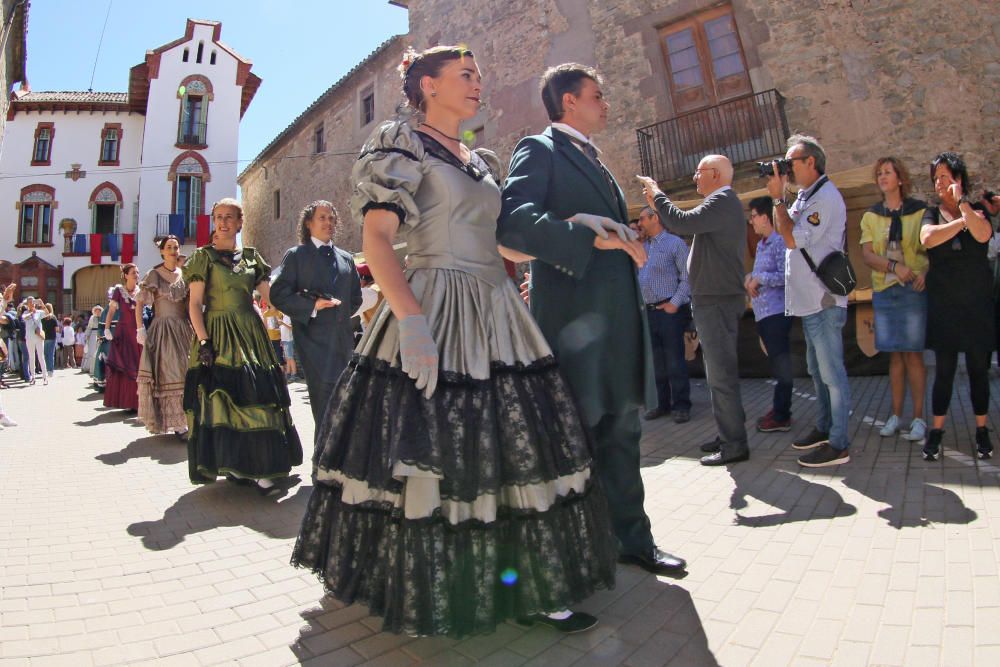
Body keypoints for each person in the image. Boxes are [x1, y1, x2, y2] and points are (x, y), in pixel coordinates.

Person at [292, 46, 618, 638]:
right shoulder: (400, 144)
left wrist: (578, 230)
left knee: (511, 448)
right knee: (437, 448)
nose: (477, 83)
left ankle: (526, 584)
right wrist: (411, 321)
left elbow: (501, 245)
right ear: (427, 85)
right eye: (465, 76)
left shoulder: (482, 158)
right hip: (436, 303)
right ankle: (431, 586)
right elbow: (379, 240)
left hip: (497, 305)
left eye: (478, 75)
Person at [498, 62, 686, 576]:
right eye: (597, 95)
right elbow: (515, 223)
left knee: (622, 431)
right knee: (575, 437)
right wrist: (587, 234)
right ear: (569, 102)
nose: (606, 104)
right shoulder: (540, 149)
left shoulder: (595, 159)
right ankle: (569, 551)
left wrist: (621, 235)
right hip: (575, 323)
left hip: (617, 320)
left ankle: (632, 540)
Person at [182, 198, 302, 494]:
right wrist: (204, 341)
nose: (222, 222)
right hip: (218, 334)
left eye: (229, 217)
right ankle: (238, 464)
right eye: (218, 217)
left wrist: (306, 305)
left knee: (257, 396)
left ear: (240, 222)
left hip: (250, 333)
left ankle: (260, 467)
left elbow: (271, 297)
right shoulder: (202, 258)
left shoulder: (251, 258)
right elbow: (195, 304)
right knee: (224, 402)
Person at [639, 155, 749, 465]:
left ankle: (734, 444)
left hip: (717, 300)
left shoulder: (723, 200)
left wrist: (657, 195)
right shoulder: (721, 203)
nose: (694, 179)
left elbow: (680, 222)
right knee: (718, 374)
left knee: (721, 375)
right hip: (713, 300)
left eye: (698, 173)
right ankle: (729, 433)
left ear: (714, 174)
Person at [767, 134, 852, 468]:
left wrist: (777, 200)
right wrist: (783, 199)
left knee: (832, 374)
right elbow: (785, 231)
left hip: (824, 300)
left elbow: (789, 237)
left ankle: (839, 443)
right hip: (810, 300)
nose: (787, 169)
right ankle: (824, 427)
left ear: (811, 162)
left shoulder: (826, 197)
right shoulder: (805, 195)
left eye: (792, 163)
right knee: (818, 371)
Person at [919, 152, 995, 460]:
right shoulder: (931, 213)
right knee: (945, 372)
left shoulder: (976, 210)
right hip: (944, 307)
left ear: (959, 180)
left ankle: (981, 430)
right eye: (935, 177)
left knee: (979, 370)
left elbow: (983, 234)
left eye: (945, 176)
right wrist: (961, 223)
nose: (939, 183)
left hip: (977, 305)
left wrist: (963, 207)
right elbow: (928, 239)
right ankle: (936, 431)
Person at [270, 200, 363, 426]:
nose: (328, 222)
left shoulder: (346, 258)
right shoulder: (296, 256)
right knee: (325, 409)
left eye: (332, 218)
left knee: (346, 408)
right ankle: (323, 460)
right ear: (309, 223)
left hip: (343, 342)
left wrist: (338, 315)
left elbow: (356, 298)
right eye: (322, 217)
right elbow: (279, 295)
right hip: (313, 344)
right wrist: (313, 306)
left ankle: (341, 460)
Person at [859, 158, 928, 442]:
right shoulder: (871, 216)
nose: (882, 177)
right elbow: (867, 254)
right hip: (885, 290)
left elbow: (931, 247)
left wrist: (925, 271)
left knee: (913, 353)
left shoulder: (920, 212)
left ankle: (919, 418)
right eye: (879, 174)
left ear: (900, 178)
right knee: (895, 355)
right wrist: (892, 267)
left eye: (888, 172)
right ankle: (896, 415)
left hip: (912, 290)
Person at [634, 206, 692, 424]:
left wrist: (674, 304)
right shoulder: (644, 246)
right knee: (656, 362)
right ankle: (661, 403)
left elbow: (687, 278)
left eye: (642, 218)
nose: (639, 223)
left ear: (654, 218)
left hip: (669, 312)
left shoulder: (675, 244)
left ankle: (681, 405)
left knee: (675, 360)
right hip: (649, 311)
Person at [136, 235, 194, 437]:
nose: (173, 250)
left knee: (187, 372)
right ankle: (177, 424)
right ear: (162, 251)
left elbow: (188, 305)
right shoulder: (154, 274)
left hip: (183, 328)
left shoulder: (184, 274)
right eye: (169, 247)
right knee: (169, 374)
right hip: (163, 330)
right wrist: (140, 328)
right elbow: (140, 302)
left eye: (176, 247)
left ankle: (187, 419)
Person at [745, 196, 794, 432]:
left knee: (782, 364)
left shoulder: (778, 242)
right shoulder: (762, 244)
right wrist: (749, 280)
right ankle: (779, 408)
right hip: (763, 315)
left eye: (753, 216)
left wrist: (760, 279)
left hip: (777, 313)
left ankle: (782, 414)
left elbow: (786, 276)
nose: (751, 221)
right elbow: (758, 275)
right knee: (776, 365)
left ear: (765, 217)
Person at [103, 264, 141, 411]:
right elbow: (111, 311)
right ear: (125, 275)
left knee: (139, 366)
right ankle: (127, 402)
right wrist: (106, 328)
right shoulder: (119, 291)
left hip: (138, 332)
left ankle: (139, 402)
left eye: (137, 272)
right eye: (133, 272)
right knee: (126, 366)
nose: (136, 275)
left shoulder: (141, 290)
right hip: (124, 333)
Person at [22, 299, 48, 385]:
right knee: (31, 357)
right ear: (27, 304)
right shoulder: (25, 312)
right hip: (29, 338)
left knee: (41, 357)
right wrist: (31, 313)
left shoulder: (39, 312)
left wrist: (42, 304)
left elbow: (47, 313)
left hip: (38, 337)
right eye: (29, 302)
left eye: (33, 302)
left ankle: (45, 377)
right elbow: (24, 318)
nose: (31, 304)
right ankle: (33, 377)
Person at [83, 305, 103, 374]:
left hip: (100, 334)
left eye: (99, 311)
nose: (97, 312)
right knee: (92, 351)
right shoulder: (92, 318)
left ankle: (98, 368)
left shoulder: (103, 317)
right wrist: (87, 335)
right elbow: (89, 327)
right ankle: (90, 368)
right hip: (93, 334)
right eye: (96, 311)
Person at [40, 302, 57, 377]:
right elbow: (57, 329)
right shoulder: (53, 317)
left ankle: (46, 369)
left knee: (45, 354)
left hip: (44, 337)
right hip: (52, 337)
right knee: (51, 354)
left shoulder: (42, 317)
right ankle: (50, 370)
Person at [279, 314, 296, 381]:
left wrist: (283, 323)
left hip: (289, 340)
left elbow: (291, 327)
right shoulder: (283, 316)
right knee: (287, 358)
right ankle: (288, 373)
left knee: (290, 357)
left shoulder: (289, 316)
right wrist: (281, 339)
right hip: (284, 340)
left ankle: (294, 374)